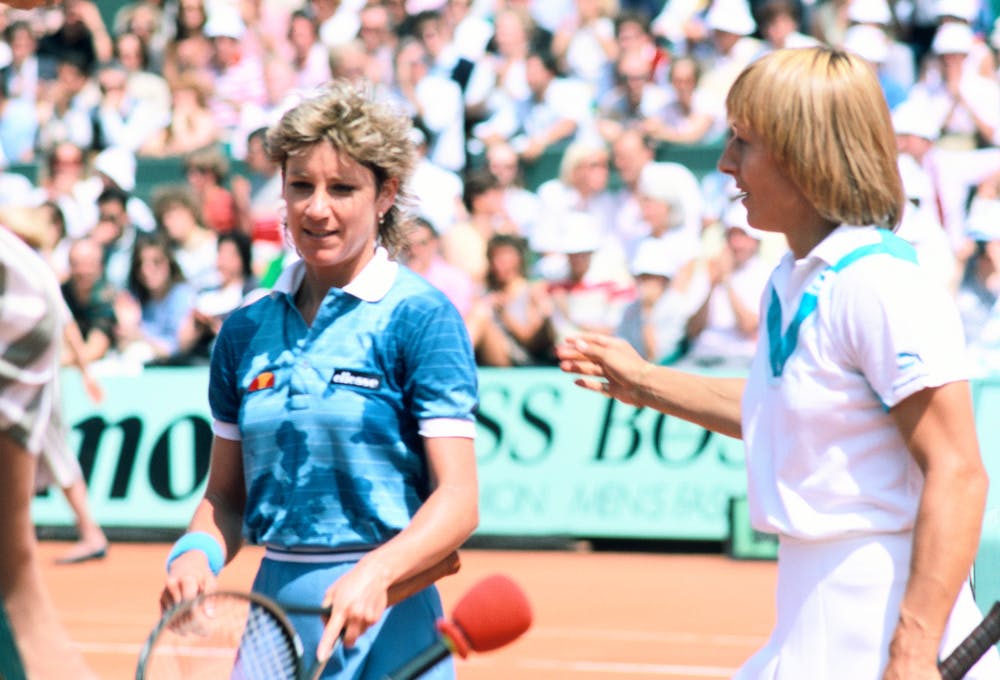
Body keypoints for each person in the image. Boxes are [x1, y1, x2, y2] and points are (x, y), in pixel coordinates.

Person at [556, 46, 1000, 678]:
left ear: (806, 152)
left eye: (744, 142)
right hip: (812, 613)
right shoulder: (792, 280)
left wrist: (911, 649)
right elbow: (783, 411)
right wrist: (646, 383)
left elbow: (958, 472)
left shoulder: (879, 283)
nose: (725, 163)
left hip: (878, 620)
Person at [159, 81, 479, 679]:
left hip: (389, 615)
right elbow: (226, 498)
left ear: (385, 194)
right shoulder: (245, 329)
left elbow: (459, 500)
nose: (316, 207)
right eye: (300, 185)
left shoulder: (420, 316)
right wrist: (195, 554)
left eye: (343, 188)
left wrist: (377, 574)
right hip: (271, 616)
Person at [0, 224, 99, 679]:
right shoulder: (29, 281)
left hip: (47, 385)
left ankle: (91, 532)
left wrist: (82, 370)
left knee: (61, 462)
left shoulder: (24, 287)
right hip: (45, 382)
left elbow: (68, 331)